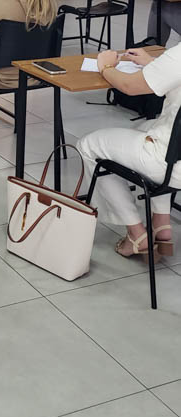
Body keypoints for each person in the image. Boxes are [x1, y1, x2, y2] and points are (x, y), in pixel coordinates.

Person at [77, 44, 181, 258]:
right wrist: (153, 64)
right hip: (175, 155)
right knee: (145, 128)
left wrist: (105, 66)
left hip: (170, 163)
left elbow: (129, 86)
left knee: (89, 146)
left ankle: (136, 235)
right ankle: (161, 225)